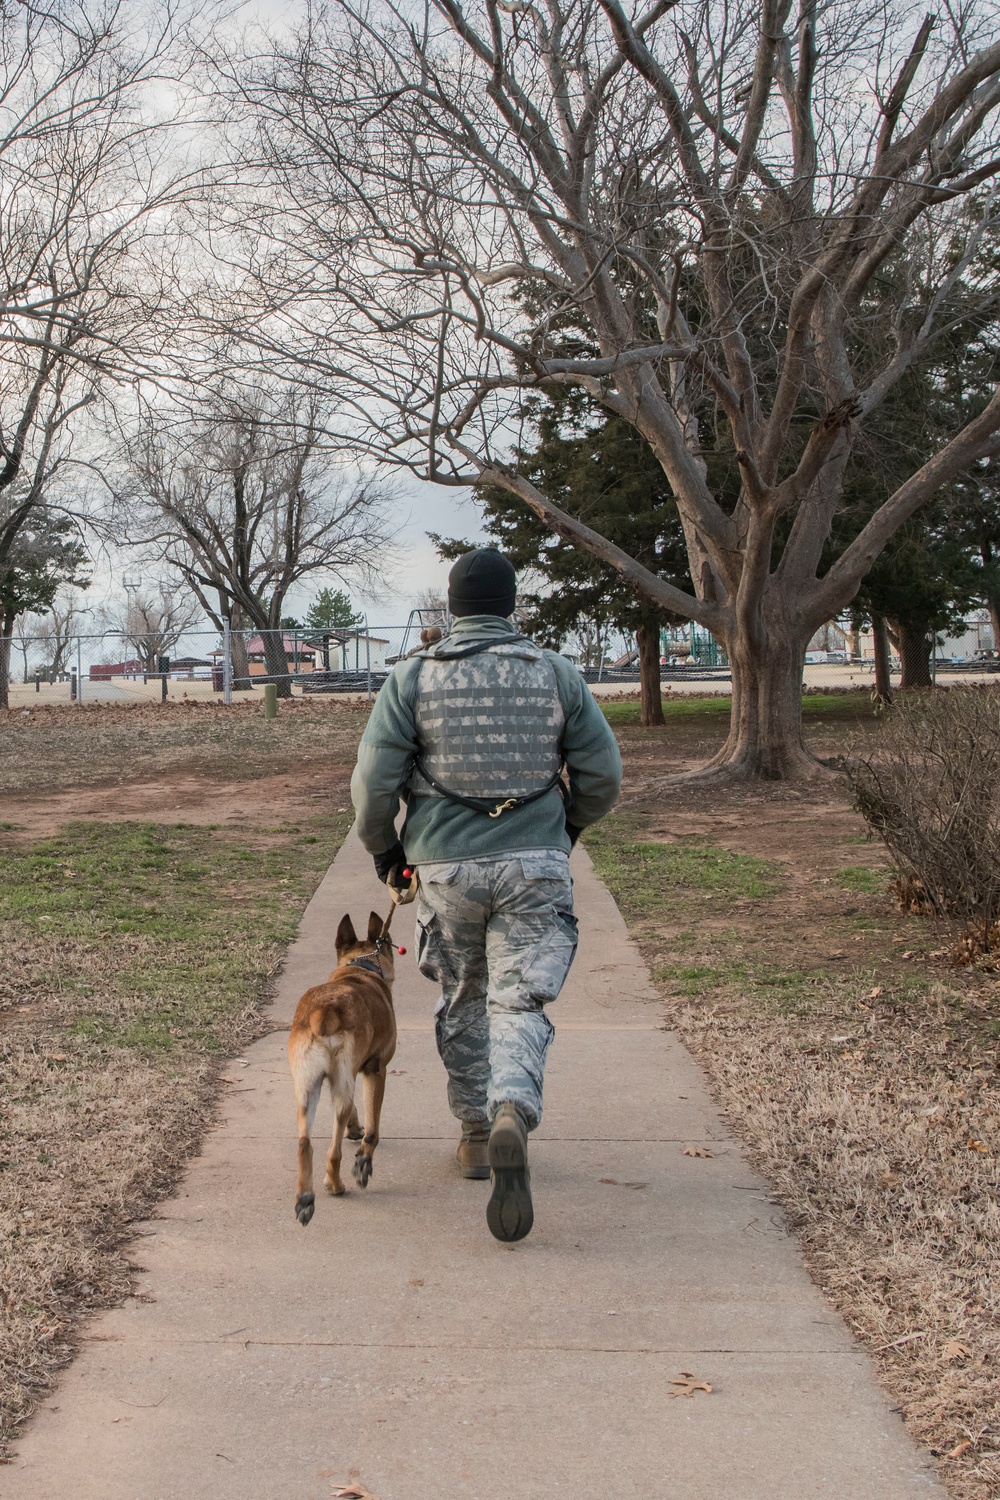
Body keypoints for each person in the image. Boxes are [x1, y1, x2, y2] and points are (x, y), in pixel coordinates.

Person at [350, 548, 622, 1241]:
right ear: (512, 606)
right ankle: (512, 1108)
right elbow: (603, 773)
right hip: (534, 860)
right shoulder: (554, 672)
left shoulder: (412, 678)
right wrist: (568, 829)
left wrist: (388, 851)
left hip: (446, 866)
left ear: (453, 606)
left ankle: (474, 1134)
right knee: (520, 996)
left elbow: (374, 786)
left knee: (464, 995)